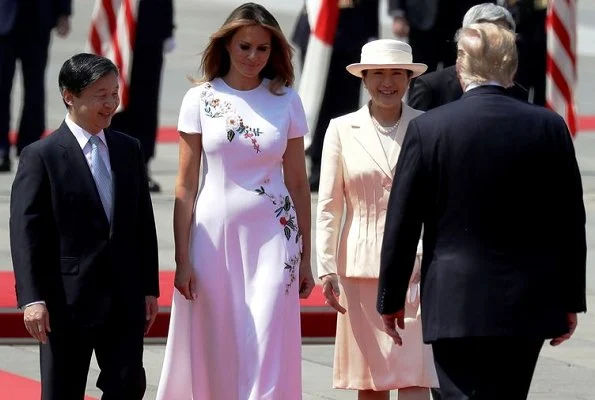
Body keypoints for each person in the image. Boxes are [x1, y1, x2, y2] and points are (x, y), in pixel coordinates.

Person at [377, 22, 586, 400]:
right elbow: (570, 221)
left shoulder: (430, 129)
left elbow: (403, 221)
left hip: (454, 298)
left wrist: (390, 298)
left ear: (461, 67)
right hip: (529, 300)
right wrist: (570, 299)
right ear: (512, 67)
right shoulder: (549, 126)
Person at [156, 3, 315, 399]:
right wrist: (182, 258)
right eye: (245, 46)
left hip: (276, 238)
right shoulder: (200, 98)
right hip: (213, 236)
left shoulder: (287, 100)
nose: (253, 57)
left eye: (262, 49)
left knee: (267, 337)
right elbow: (185, 185)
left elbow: (298, 183)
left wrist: (308, 256)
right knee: (218, 340)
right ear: (227, 44)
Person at [10, 53, 159, 399]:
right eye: (100, 95)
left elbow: (142, 222)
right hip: (67, 300)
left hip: (123, 296)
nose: (111, 104)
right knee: (63, 390)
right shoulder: (41, 156)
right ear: (70, 96)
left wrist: (148, 287)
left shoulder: (128, 148)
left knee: (128, 385)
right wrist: (32, 299)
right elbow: (25, 233)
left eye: (114, 93)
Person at [316, 39, 438, 400]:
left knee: (414, 375)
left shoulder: (429, 125)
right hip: (358, 266)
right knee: (370, 380)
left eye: (397, 74)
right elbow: (328, 205)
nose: (388, 82)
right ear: (364, 79)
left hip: (416, 266)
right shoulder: (341, 128)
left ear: (409, 79)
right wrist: (325, 266)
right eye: (378, 74)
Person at [292, 0, 380, 191]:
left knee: (345, 105)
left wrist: (373, 34)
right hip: (317, 29)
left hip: (353, 30)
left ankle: (339, 167)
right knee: (317, 100)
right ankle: (316, 166)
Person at [407, 3, 528, 111]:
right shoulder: (431, 87)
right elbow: (415, 132)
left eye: (501, 37)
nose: (493, 43)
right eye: (485, 35)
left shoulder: (517, 91)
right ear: (465, 36)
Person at [109, 0, 175, 192]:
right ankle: (113, 164)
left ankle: (141, 165)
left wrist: (167, 29)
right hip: (117, 35)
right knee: (113, 98)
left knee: (146, 103)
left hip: (149, 34)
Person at [0, 0, 71, 172]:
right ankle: (1, 149)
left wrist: (63, 13)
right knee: (1, 88)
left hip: (37, 19)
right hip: (3, 19)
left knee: (35, 89)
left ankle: (30, 148)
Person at [388, 0, 487, 72]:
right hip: (421, 18)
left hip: (461, 17)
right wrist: (398, 14)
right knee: (421, 75)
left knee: (458, 73)